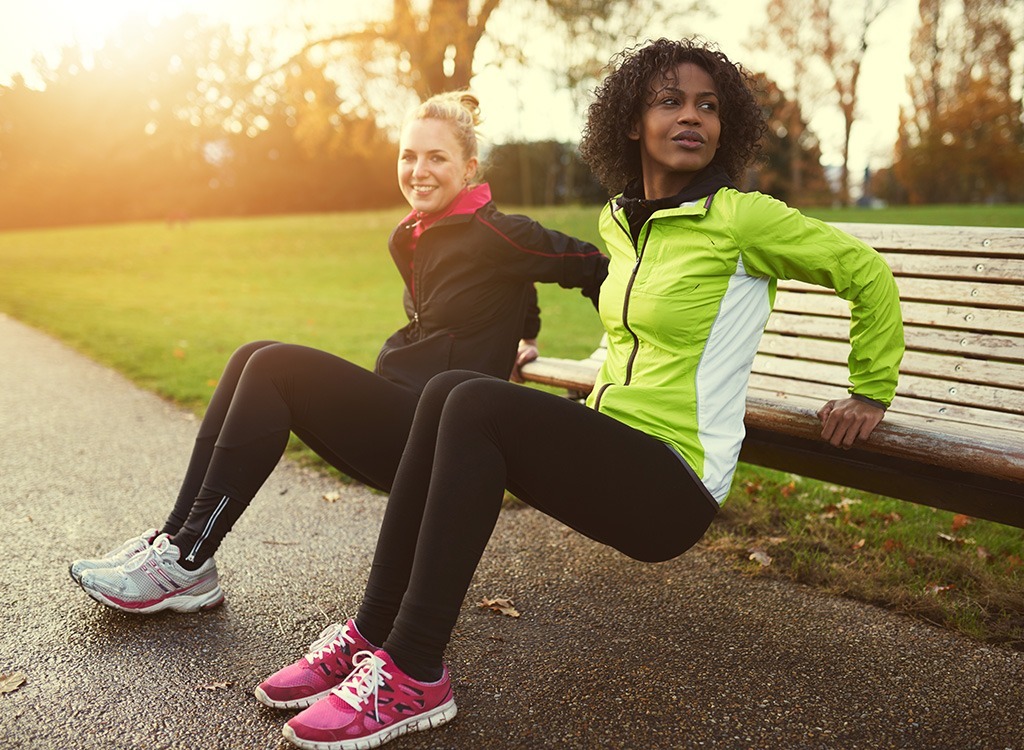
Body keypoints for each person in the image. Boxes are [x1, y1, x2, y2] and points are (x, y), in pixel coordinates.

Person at [268, 38, 905, 750]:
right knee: (454, 388)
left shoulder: (741, 219)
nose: (691, 118)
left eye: (708, 106)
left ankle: (414, 670)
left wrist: (869, 391)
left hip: (674, 482)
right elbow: (630, 336)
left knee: (470, 399)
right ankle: (372, 634)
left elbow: (866, 273)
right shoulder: (622, 222)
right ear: (632, 122)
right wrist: (544, 357)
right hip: (617, 453)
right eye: (670, 101)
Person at [69, 91, 608, 626]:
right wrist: (522, 334)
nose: (419, 170)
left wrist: (625, 347)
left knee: (274, 369)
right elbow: (519, 281)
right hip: (401, 410)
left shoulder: (497, 231)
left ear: (468, 169)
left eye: (436, 158)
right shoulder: (423, 232)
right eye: (409, 156)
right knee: (250, 355)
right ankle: (176, 545)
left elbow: (589, 265)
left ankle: (186, 559)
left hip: (435, 432)